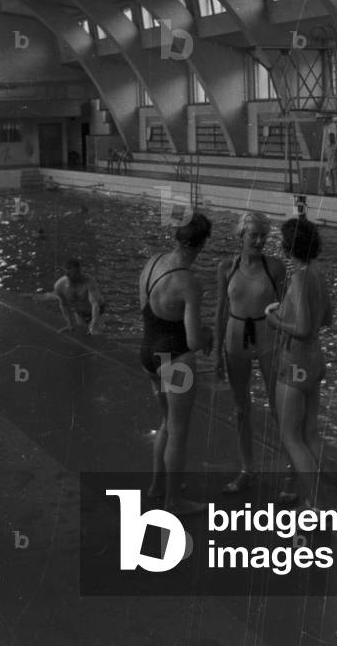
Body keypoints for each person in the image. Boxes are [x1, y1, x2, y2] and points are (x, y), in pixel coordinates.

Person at [139, 212, 214, 514]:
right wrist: (208, 333)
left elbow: (149, 311)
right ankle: (173, 501)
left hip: (148, 354)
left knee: (166, 423)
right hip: (176, 362)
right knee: (178, 431)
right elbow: (194, 341)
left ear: (177, 237)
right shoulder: (189, 283)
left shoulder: (153, 262)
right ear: (203, 244)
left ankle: (158, 486)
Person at [214, 212, 287, 494]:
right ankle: (248, 469)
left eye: (263, 236)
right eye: (253, 235)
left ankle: (291, 471)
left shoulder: (275, 268)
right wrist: (217, 352)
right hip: (235, 338)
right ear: (241, 236)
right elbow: (221, 311)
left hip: (267, 337)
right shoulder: (226, 267)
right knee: (241, 408)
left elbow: (287, 308)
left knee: (279, 407)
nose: (259, 241)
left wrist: (288, 343)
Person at [266, 216, 332, 510]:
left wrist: (275, 321)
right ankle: (313, 498)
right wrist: (289, 311)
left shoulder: (298, 279)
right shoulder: (317, 274)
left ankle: (317, 503)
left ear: (287, 247)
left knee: (291, 437)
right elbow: (326, 318)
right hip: (315, 359)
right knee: (310, 433)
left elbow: (302, 328)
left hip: (295, 361)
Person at [53, 258, 104, 335]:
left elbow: (94, 304)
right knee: (83, 333)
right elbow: (63, 305)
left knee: (96, 334)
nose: (75, 276)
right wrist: (69, 323)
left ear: (79, 270)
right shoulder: (59, 286)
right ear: (66, 274)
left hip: (98, 311)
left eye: (77, 273)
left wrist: (93, 323)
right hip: (80, 314)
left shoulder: (88, 280)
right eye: (70, 274)